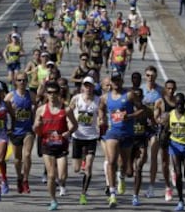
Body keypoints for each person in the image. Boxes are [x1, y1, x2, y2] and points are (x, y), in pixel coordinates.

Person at [33, 81, 78, 211]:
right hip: (47, 146)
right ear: (46, 94)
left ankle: (61, 184)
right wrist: (37, 127)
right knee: (51, 175)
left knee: (62, 176)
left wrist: (68, 132)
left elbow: (75, 125)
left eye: (55, 92)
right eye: (49, 92)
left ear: (59, 93)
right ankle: (53, 200)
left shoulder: (66, 109)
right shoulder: (41, 110)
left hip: (61, 146)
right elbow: (36, 129)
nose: (52, 95)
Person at [98, 71, 139, 208]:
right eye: (113, 80)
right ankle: (112, 194)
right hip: (112, 133)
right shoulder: (105, 97)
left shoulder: (129, 95)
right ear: (111, 82)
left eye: (117, 80)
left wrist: (130, 116)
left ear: (121, 81)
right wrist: (101, 118)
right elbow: (101, 109)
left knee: (124, 165)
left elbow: (142, 109)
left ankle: (121, 177)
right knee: (111, 162)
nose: (115, 83)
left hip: (127, 133)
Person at [162, 93, 185, 211]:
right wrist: (164, 139)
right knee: (178, 173)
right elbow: (165, 130)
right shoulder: (170, 115)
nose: (179, 106)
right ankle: (181, 200)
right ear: (175, 104)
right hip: (174, 145)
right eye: (177, 104)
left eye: (181, 104)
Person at [69, 76, 100, 205]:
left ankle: (83, 194)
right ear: (82, 87)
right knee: (76, 169)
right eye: (85, 85)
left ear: (93, 87)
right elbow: (68, 112)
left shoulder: (98, 101)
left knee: (88, 167)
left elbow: (101, 115)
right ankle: (81, 157)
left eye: (90, 86)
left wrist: (101, 123)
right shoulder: (76, 99)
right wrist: (69, 125)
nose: (87, 88)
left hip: (91, 137)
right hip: (77, 136)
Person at [4, 72, 36, 194]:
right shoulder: (10, 97)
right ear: (15, 82)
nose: (22, 82)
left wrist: (35, 125)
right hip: (15, 131)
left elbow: (35, 111)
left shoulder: (31, 95)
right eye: (19, 80)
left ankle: (26, 180)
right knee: (17, 159)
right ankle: (19, 177)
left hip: (28, 130)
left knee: (27, 155)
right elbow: (2, 112)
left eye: (24, 80)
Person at [129, 88, 155, 206]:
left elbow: (153, 122)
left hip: (141, 140)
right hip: (129, 140)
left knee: (138, 168)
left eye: (140, 95)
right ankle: (122, 175)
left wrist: (153, 125)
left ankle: (135, 196)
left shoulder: (147, 110)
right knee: (129, 171)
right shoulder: (127, 108)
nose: (137, 97)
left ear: (142, 96)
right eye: (135, 95)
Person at [154, 79, 177, 201]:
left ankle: (174, 171)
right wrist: (161, 120)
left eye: (173, 88)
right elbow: (155, 117)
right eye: (168, 88)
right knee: (164, 161)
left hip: (176, 135)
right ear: (165, 89)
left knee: (175, 159)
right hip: (163, 134)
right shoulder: (160, 102)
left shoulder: (178, 102)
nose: (171, 90)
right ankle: (168, 187)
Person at [142, 65, 163, 198]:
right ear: (145, 76)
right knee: (142, 157)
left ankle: (151, 186)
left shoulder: (161, 91)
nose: (150, 78)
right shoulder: (140, 90)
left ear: (156, 77)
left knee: (154, 156)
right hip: (140, 127)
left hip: (154, 128)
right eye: (148, 75)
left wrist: (160, 119)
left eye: (153, 76)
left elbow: (166, 108)